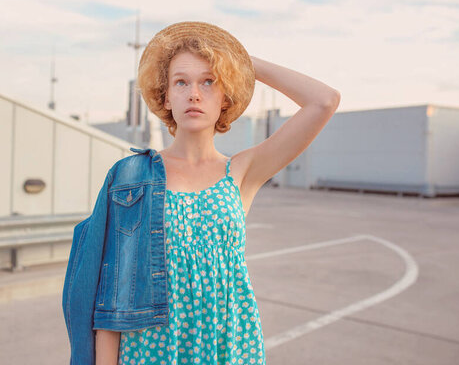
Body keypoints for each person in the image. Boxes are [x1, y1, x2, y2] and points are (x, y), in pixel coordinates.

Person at [96, 21, 340, 364]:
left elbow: (324, 101)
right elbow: (113, 293)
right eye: (181, 82)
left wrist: (239, 60)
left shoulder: (242, 172)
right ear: (166, 95)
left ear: (225, 97)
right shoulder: (133, 175)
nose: (194, 93)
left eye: (209, 82)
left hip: (228, 345)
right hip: (151, 349)